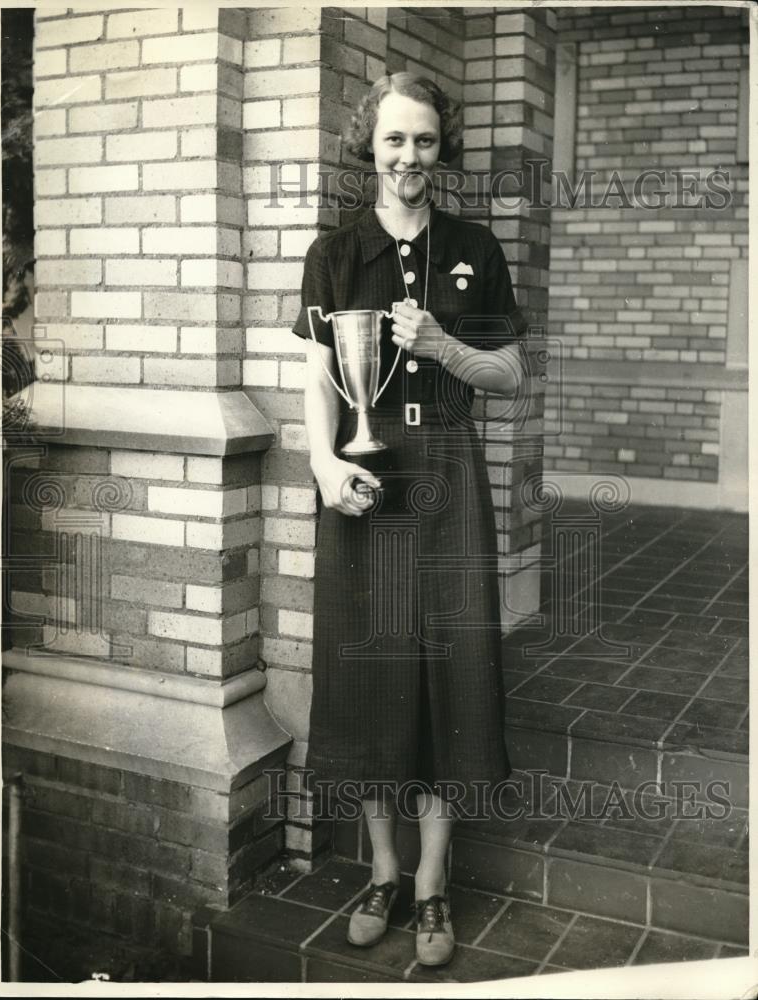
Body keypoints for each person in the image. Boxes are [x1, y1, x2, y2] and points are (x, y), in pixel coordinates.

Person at [292, 72, 528, 968]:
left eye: (424, 141)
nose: (408, 158)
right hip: (363, 472)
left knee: (450, 664)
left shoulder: (474, 244)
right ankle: (381, 871)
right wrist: (323, 463)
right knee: (368, 664)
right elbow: (318, 375)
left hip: (449, 472)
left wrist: (441, 346)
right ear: (370, 145)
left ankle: (432, 882)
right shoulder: (335, 250)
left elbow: (509, 377)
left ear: (441, 149)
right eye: (394, 141)